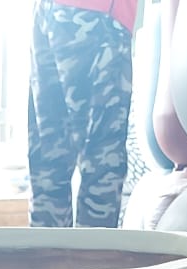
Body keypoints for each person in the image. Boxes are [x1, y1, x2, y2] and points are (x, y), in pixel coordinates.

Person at [28, 0, 139, 228]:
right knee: (102, 157)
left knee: (49, 159)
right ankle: (94, 261)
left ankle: (44, 260)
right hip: (96, 17)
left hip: (47, 13)